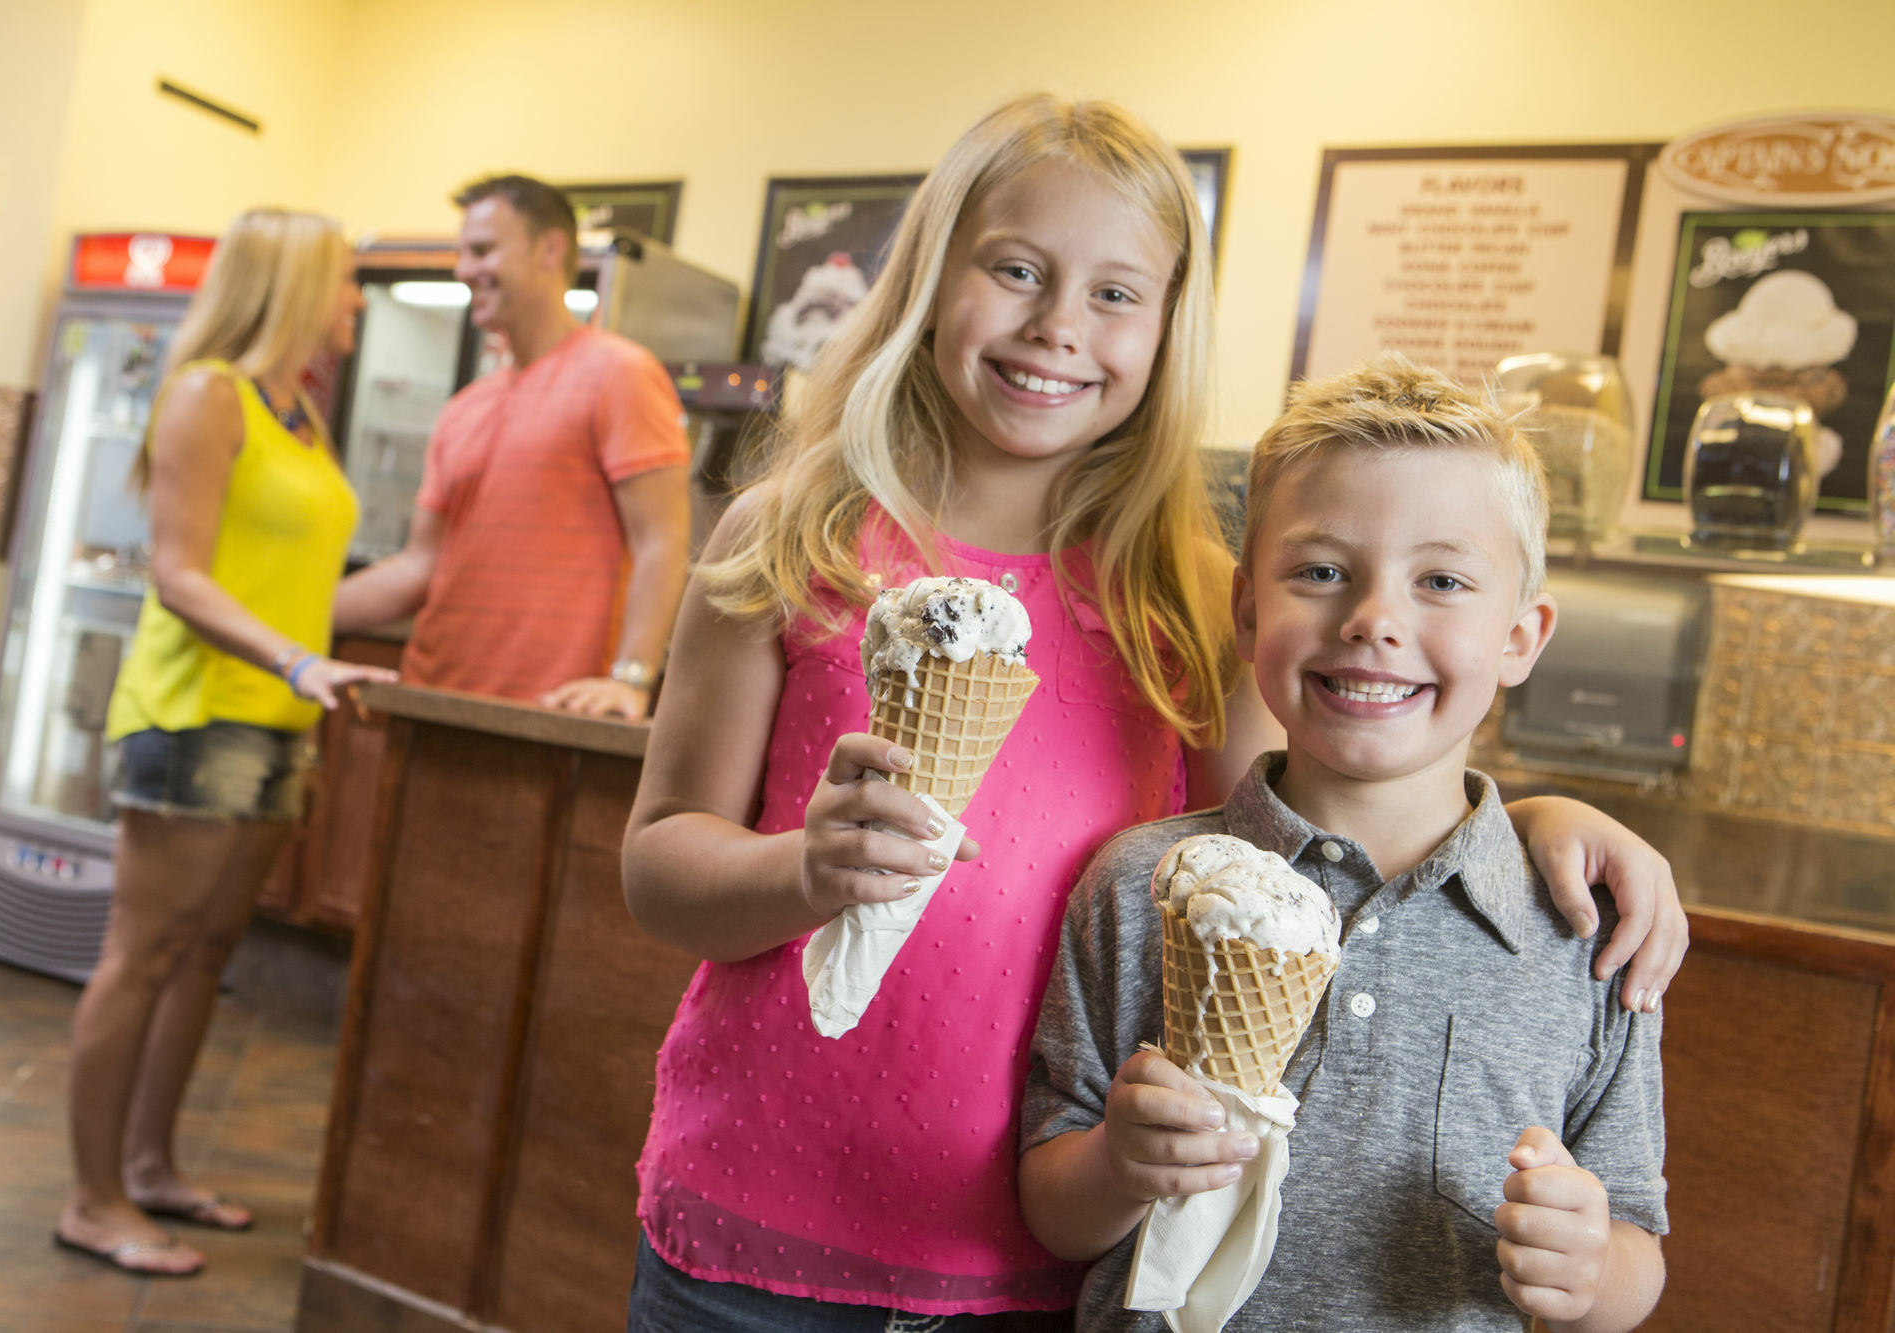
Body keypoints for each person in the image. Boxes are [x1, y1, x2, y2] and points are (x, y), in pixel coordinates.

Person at [621, 95, 1684, 1330]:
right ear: (927, 275)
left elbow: (1296, 846)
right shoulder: (791, 537)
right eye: (1014, 269)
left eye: (1117, 294)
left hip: (1049, 1259)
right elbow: (658, 862)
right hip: (757, 1217)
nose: (1057, 327)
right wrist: (803, 871)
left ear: (1169, 326)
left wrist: (1527, 818)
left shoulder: (1180, 594)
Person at [1020, 354, 1668, 1332]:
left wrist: (1588, 1274)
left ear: (1520, 636)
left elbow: (1633, 1241)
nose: (1371, 620)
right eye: (1320, 572)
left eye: (1441, 580)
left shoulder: (1586, 926)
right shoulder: (1136, 884)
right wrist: (1116, 1164)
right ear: (1246, 609)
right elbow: (1052, 1206)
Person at [54, 209, 398, 1277]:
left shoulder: (300, 410)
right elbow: (179, 572)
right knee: (145, 954)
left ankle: (151, 1168)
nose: (353, 301)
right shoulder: (211, 393)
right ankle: (92, 1198)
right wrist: (299, 660)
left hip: (275, 721)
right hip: (195, 710)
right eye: (343, 281)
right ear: (293, 283)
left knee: (205, 955)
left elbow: (311, 586)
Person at [332, 175, 691, 720]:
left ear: (550, 249)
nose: (464, 270)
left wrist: (632, 679)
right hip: (432, 699)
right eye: (462, 254)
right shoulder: (463, 408)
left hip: (552, 713)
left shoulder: (621, 373)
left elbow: (661, 541)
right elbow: (417, 565)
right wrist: (284, 614)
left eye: (482, 251)